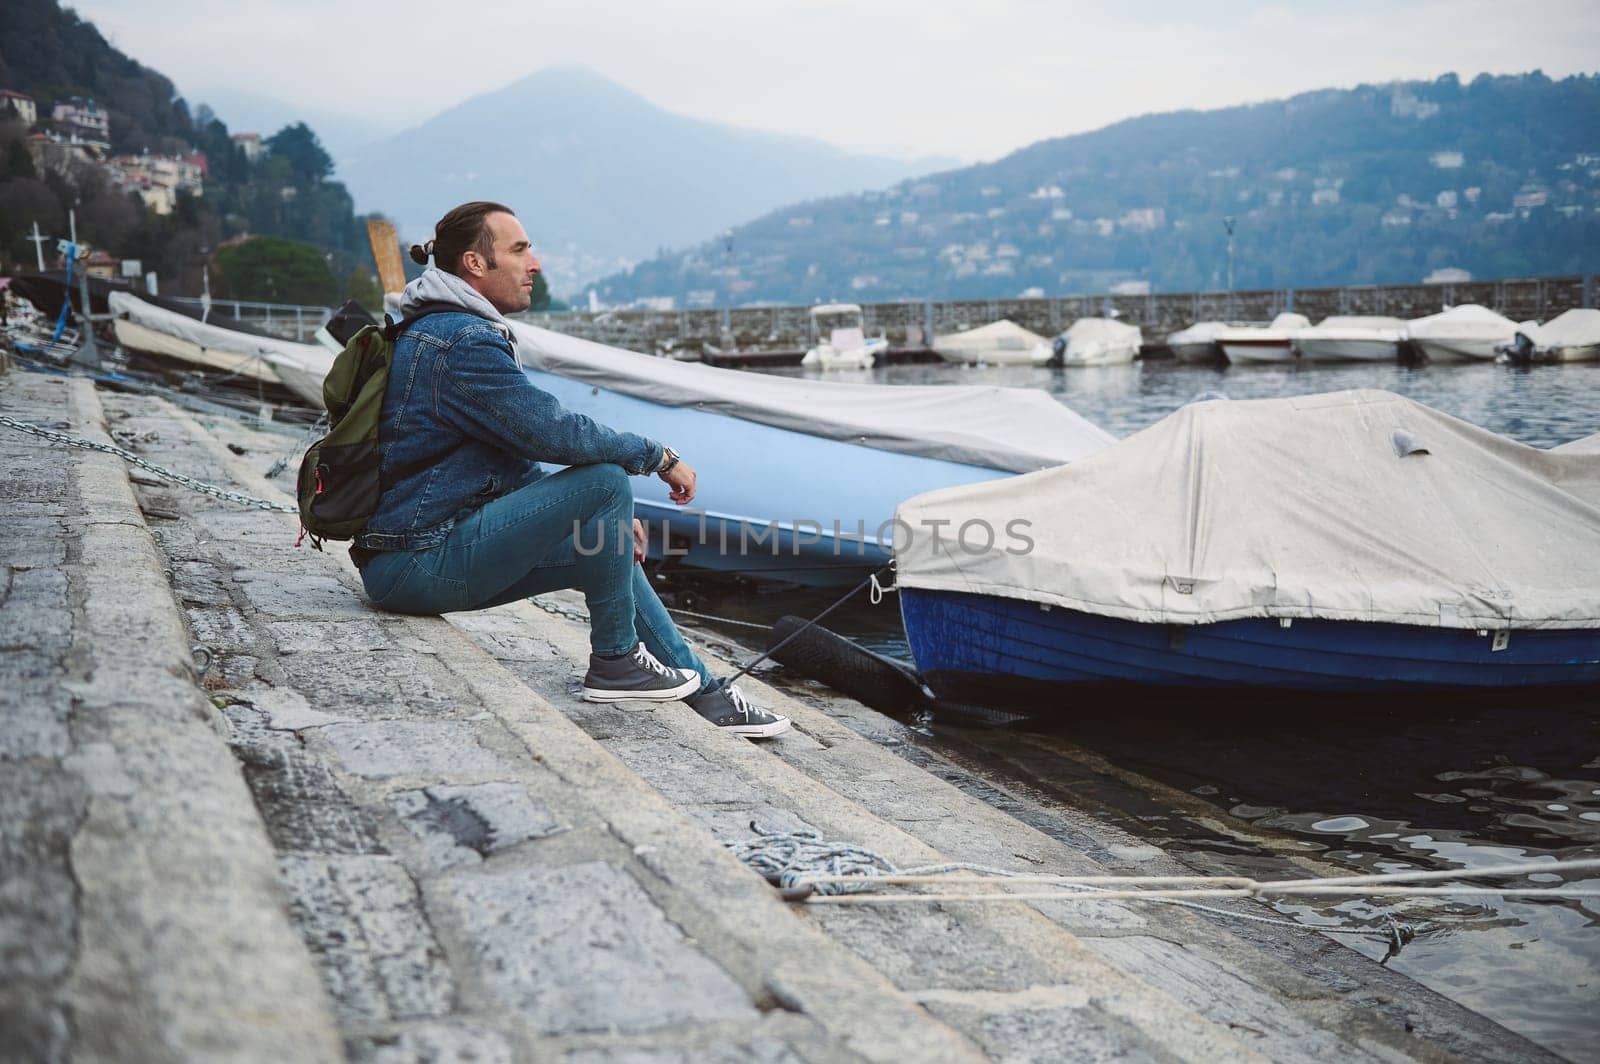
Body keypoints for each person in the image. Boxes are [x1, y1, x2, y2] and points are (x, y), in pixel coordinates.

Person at [353, 200, 789, 739]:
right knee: (606, 479)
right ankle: (615, 661)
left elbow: (506, 458)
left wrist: (595, 524)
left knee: (601, 548)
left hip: (411, 558)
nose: (534, 263)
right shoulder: (462, 341)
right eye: (519, 250)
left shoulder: (440, 327)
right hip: (415, 563)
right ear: (474, 264)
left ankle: (704, 693)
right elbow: (555, 433)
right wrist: (658, 456)